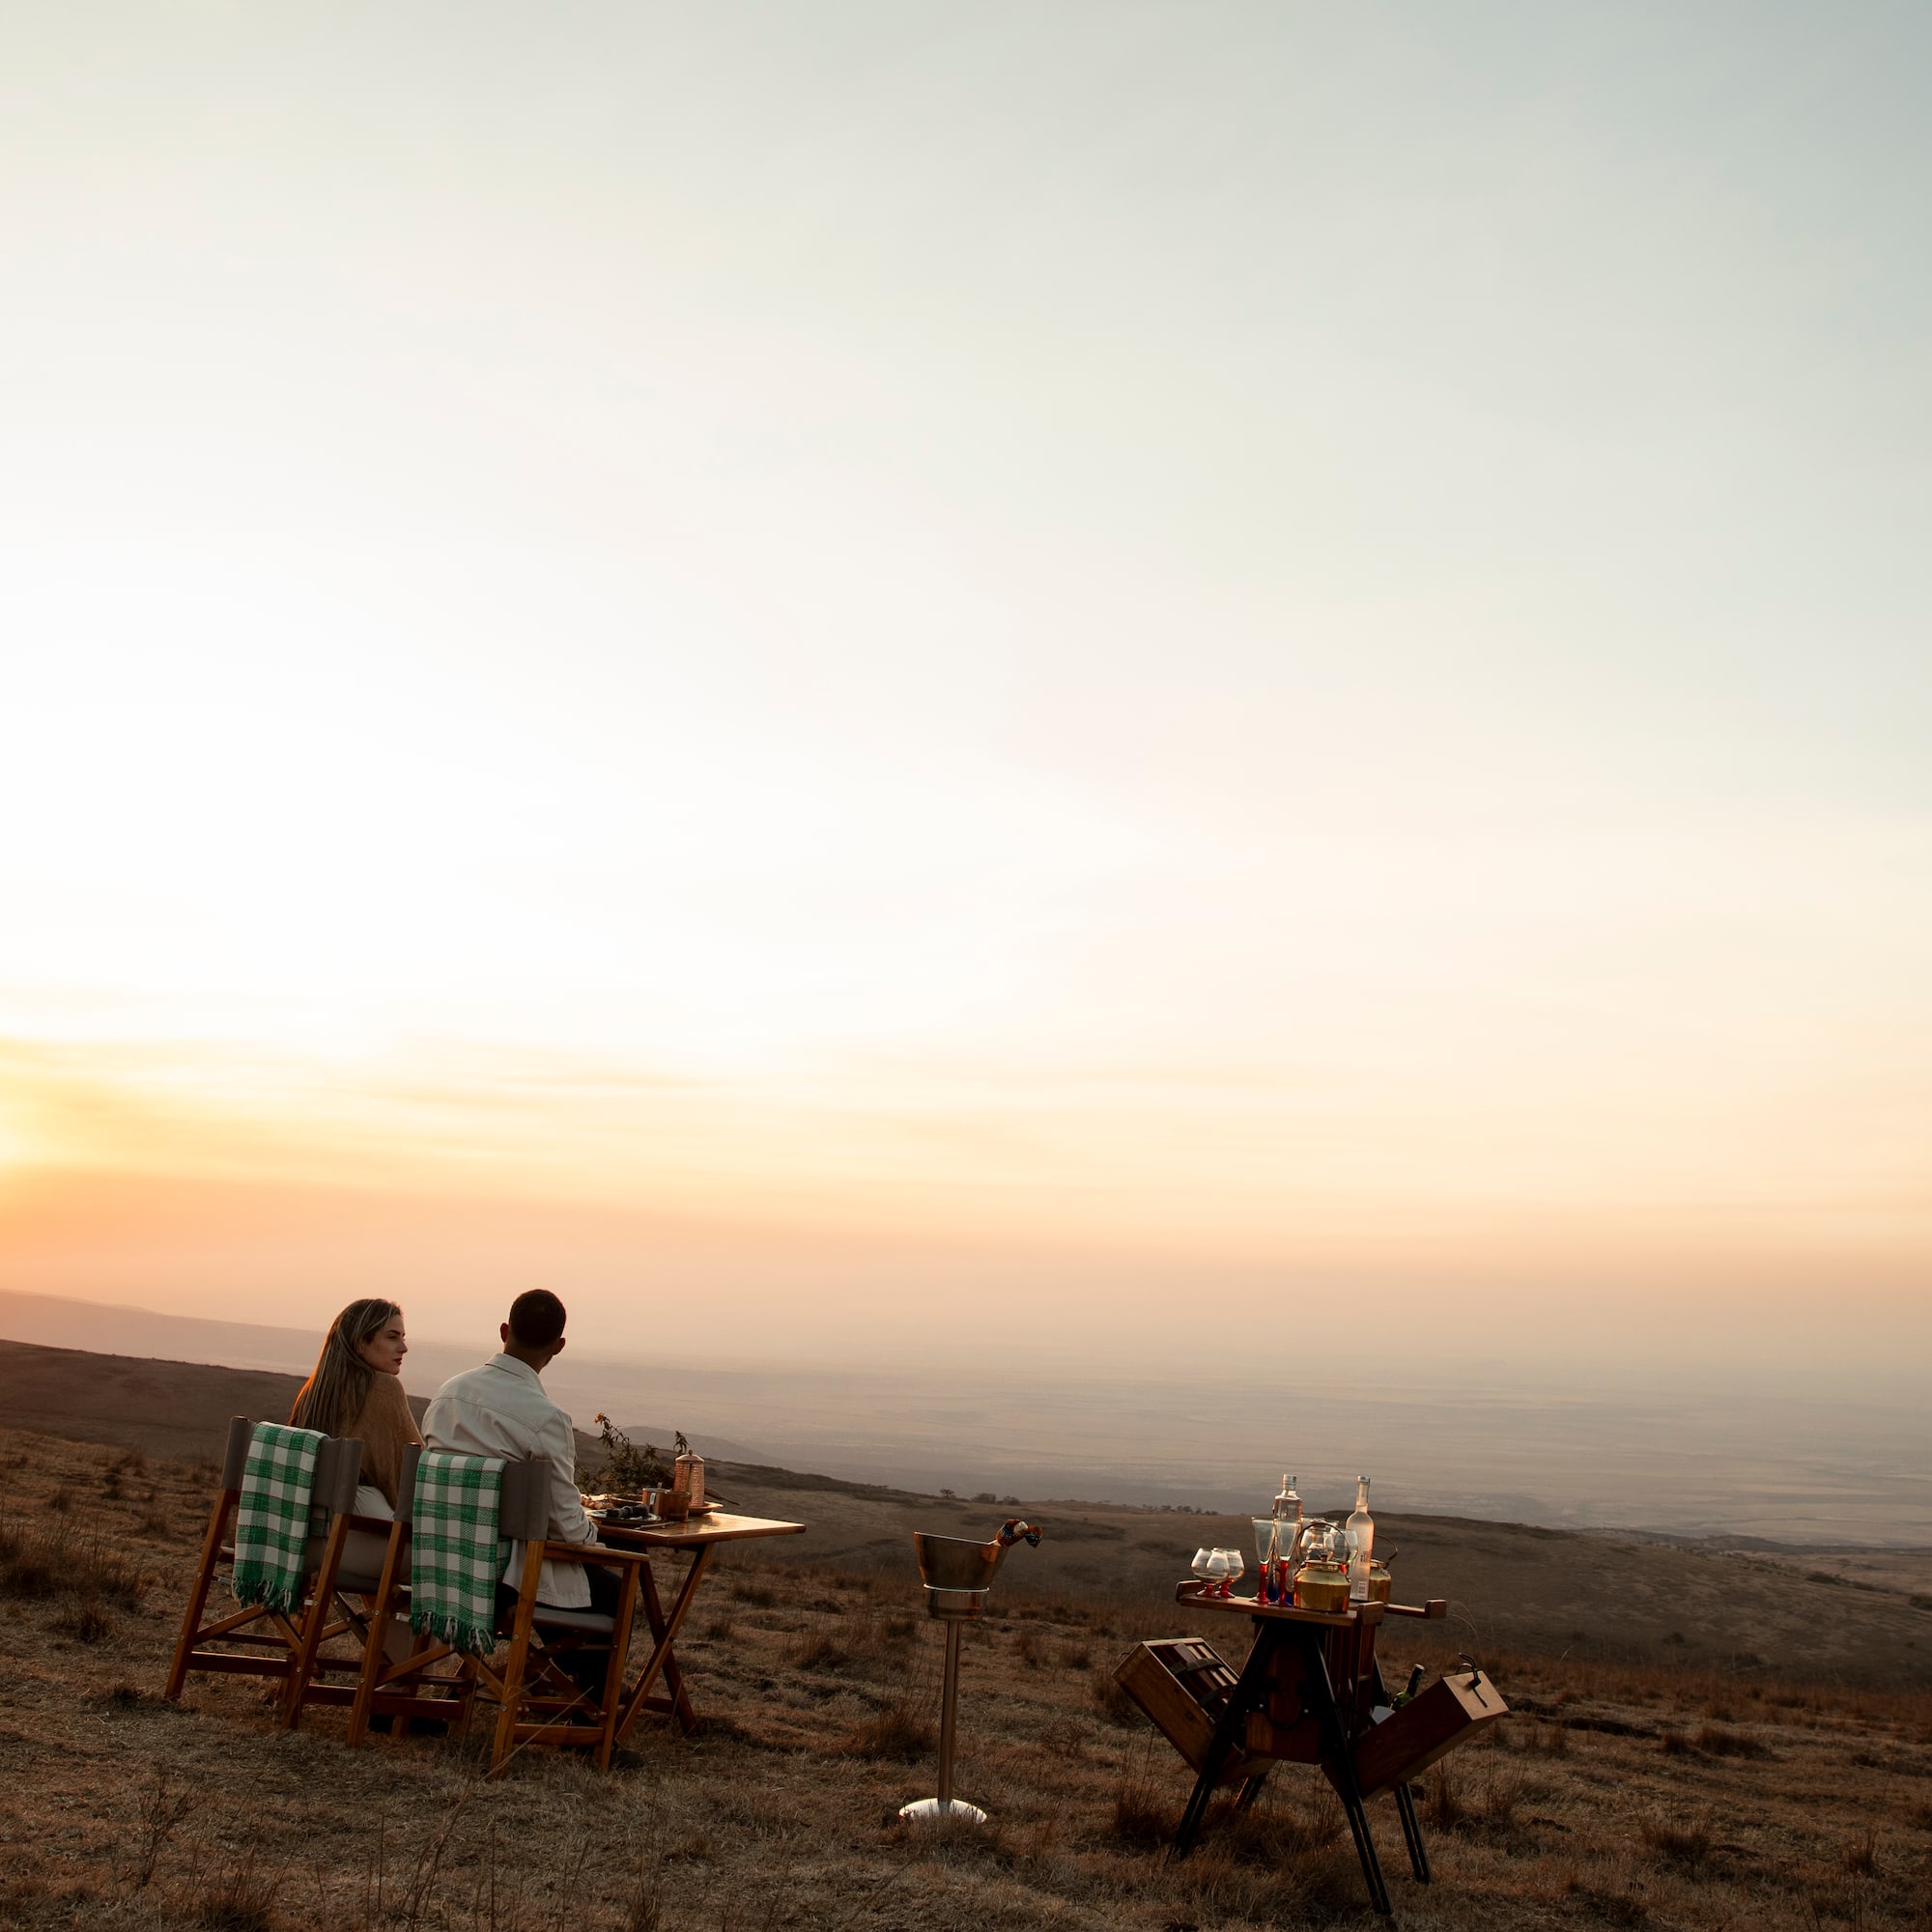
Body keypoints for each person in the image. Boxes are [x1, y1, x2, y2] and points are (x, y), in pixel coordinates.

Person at [420, 1290, 617, 1692]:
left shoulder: (447, 1394)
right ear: (559, 1346)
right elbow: (567, 1528)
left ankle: (549, 1679)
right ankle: (589, 1714)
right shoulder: (545, 1418)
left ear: (505, 1330)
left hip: (436, 1564)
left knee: (576, 1580)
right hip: (500, 1583)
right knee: (615, 1588)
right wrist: (597, 1538)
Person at [289, 1298, 423, 1522]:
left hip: (304, 1534)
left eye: (403, 1338)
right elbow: (416, 1469)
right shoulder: (383, 1386)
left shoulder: (313, 1392)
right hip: (358, 1534)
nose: (404, 1348)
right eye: (392, 1337)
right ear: (360, 1343)